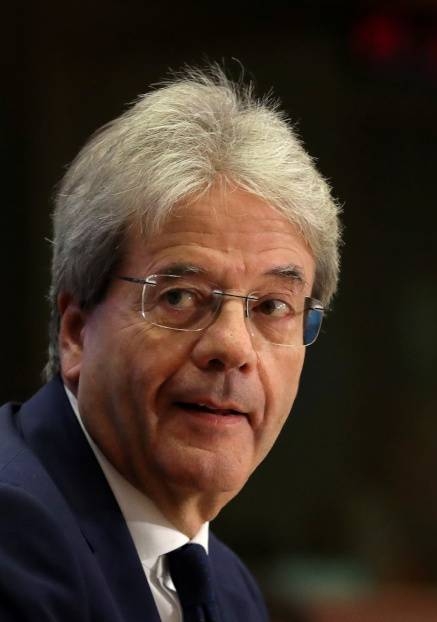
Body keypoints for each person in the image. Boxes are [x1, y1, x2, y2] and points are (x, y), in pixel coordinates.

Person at [0, 65, 342, 621]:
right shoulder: (14, 543)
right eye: (181, 297)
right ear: (76, 332)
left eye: (272, 307)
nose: (232, 347)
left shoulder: (230, 592)